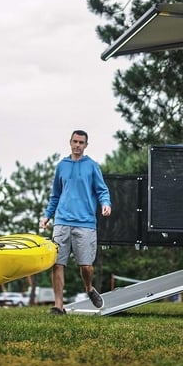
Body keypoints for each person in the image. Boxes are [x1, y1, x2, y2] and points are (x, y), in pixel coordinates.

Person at [40, 130, 112, 314]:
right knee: (57, 264)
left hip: (85, 222)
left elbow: (102, 190)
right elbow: (55, 195)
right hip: (62, 221)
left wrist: (106, 203)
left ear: (86, 145)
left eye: (81, 142)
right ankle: (58, 306)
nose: (77, 145)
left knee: (86, 266)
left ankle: (88, 287)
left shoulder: (92, 166)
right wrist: (48, 215)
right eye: (75, 141)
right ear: (70, 142)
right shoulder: (61, 166)